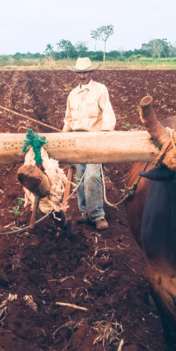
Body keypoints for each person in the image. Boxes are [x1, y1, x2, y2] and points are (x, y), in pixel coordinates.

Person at [62, 57, 116, 231]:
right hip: (77, 139)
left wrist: (105, 132)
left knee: (93, 176)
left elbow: (107, 113)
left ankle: (98, 216)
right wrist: (63, 138)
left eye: (85, 72)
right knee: (80, 177)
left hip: (94, 139)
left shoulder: (100, 90)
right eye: (79, 72)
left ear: (91, 72)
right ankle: (84, 213)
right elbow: (68, 119)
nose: (82, 75)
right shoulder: (72, 95)